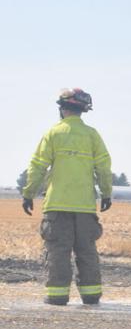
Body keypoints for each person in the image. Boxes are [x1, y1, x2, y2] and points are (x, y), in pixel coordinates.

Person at [22, 89, 112, 306]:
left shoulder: (53, 133)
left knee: (58, 253)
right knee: (87, 253)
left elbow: (37, 167)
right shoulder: (92, 135)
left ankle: (57, 296)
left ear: (62, 109)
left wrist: (28, 194)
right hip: (85, 208)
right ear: (83, 110)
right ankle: (91, 296)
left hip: (57, 207)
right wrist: (106, 193)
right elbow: (104, 167)